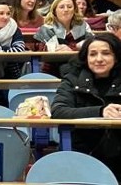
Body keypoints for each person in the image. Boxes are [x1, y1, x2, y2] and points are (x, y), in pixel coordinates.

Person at [51, 34, 121, 180]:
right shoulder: (73, 78)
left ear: (116, 57)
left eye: (106, 53)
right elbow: (58, 111)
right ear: (86, 58)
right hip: (83, 151)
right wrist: (101, 111)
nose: (99, 59)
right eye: (93, 54)